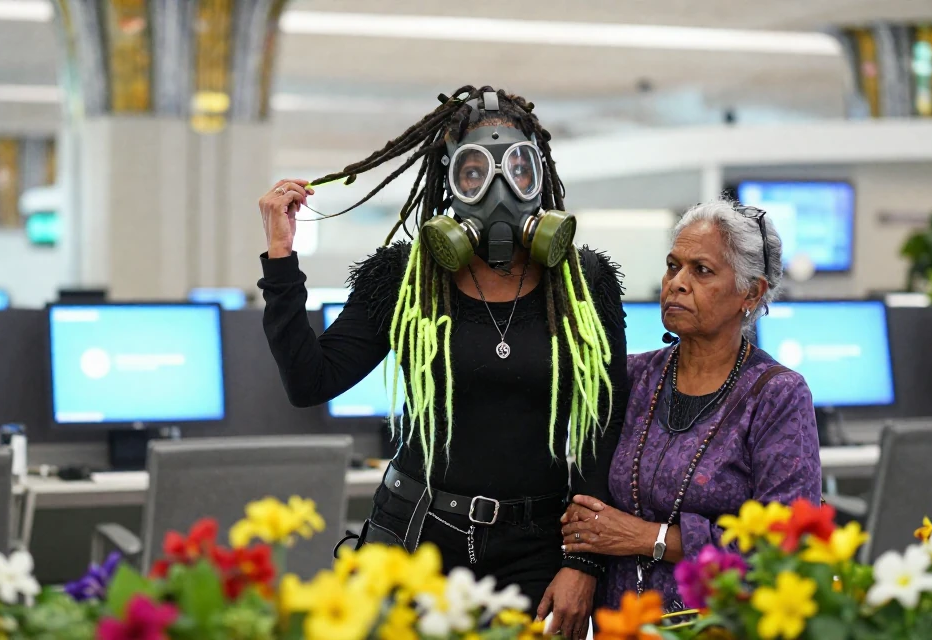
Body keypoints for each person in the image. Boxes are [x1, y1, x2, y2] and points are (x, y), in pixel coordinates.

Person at [257, 86, 627, 639]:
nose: (498, 188)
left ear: (540, 174)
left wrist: (584, 563)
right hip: (414, 534)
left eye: (517, 169)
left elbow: (606, 427)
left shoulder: (583, 281)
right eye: (474, 172)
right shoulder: (405, 277)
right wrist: (282, 255)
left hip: (536, 549)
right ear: (448, 180)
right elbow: (311, 381)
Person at [558, 200, 821, 611]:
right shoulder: (631, 377)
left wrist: (648, 538)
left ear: (750, 293)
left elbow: (784, 546)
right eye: (672, 266)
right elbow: (587, 506)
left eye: (701, 270)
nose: (676, 283)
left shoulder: (776, 395)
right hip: (623, 625)